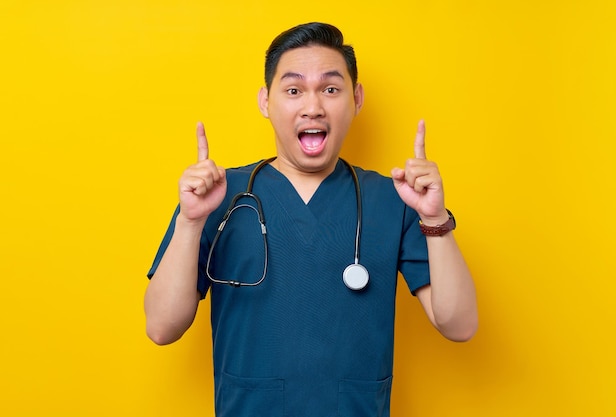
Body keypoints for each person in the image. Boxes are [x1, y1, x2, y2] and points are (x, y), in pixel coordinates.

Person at [145, 22, 477, 417]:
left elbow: (459, 325)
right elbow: (162, 328)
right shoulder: (216, 196)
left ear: (356, 98)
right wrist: (189, 222)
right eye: (293, 89)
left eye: (331, 89)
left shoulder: (396, 199)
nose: (313, 106)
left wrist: (435, 219)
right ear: (266, 102)